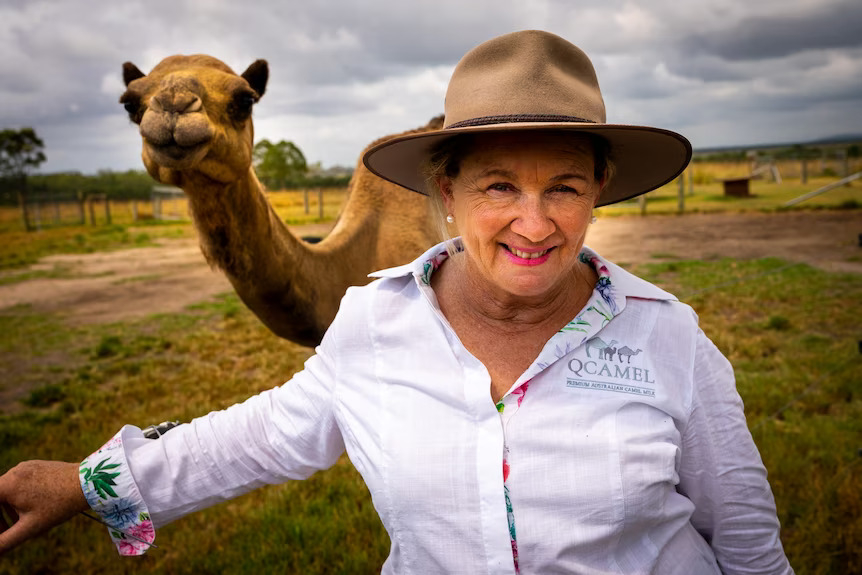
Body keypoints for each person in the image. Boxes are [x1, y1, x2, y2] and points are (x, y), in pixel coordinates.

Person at [0, 30, 793, 574]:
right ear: (444, 190)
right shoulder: (377, 322)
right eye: (497, 186)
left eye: (564, 186)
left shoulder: (668, 338)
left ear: (601, 192)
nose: (533, 221)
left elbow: (750, 542)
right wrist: (86, 483)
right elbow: (257, 439)